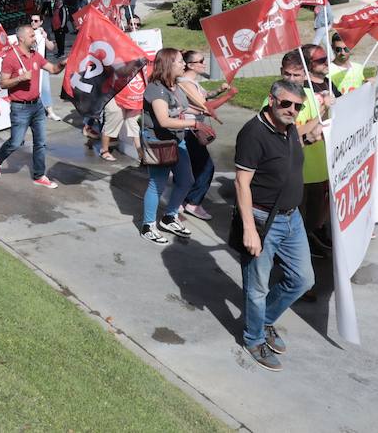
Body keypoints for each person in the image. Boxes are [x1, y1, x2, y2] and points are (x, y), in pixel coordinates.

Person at [234, 78, 321, 371]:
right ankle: (254, 338)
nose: (292, 110)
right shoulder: (253, 133)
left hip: (292, 217)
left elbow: (287, 155)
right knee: (257, 287)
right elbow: (242, 183)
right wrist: (249, 228)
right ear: (271, 100)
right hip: (262, 220)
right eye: (286, 103)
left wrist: (309, 138)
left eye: (298, 106)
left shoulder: (289, 130)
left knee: (302, 279)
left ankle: (266, 319)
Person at [0, 24, 64, 188]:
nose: (35, 38)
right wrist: (20, 79)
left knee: (41, 143)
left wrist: (62, 64)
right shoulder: (10, 57)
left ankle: (39, 175)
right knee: (16, 143)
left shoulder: (35, 55)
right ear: (22, 38)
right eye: (31, 35)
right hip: (20, 108)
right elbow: (2, 83)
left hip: (37, 106)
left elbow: (52, 69)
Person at [137, 48, 198, 244]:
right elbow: (164, 120)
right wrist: (194, 124)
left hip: (176, 139)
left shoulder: (175, 85)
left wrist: (207, 110)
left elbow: (185, 107)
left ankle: (169, 217)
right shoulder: (156, 89)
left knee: (186, 180)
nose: (184, 64)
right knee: (157, 184)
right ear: (168, 65)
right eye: (180, 61)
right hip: (159, 141)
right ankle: (148, 226)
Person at [176, 50, 236, 221]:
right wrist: (229, 95)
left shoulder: (192, 83)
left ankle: (182, 201)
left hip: (192, 130)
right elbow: (206, 107)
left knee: (191, 167)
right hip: (189, 131)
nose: (204, 63)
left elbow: (204, 97)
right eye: (201, 61)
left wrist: (219, 90)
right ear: (190, 65)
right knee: (206, 167)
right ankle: (193, 203)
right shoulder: (185, 83)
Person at [296, 44, 339, 259]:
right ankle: (298, 248)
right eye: (321, 59)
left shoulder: (329, 84)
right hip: (303, 166)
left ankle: (313, 234)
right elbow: (294, 131)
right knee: (300, 212)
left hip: (325, 162)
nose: (327, 61)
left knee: (317, 211)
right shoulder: (299, 91)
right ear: (308, 64)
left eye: (326, 57)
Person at [28, 12, 61, 121]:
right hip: (29, 65)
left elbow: (51, 47)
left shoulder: (43, 33)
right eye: (32, 20)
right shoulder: (27, 32)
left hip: (42, 65)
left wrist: (45, 38)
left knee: (45, 88)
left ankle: (50, 112)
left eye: (36, 21)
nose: (33, 22)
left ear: (41, 22)